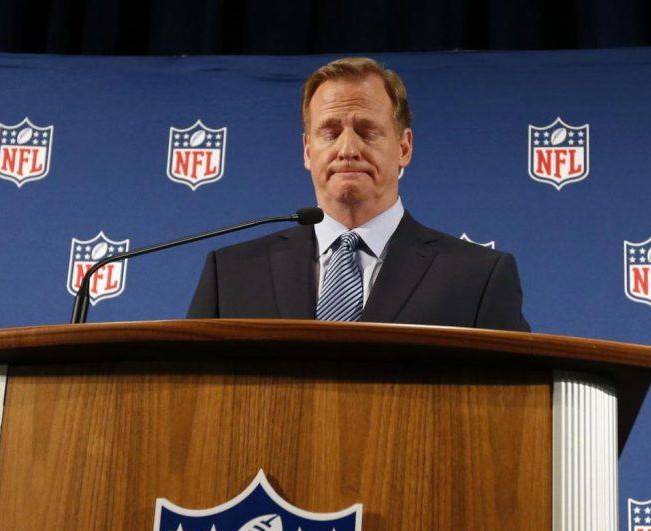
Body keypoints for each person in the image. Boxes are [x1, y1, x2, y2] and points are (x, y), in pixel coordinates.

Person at [187, 57, 530, 332]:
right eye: (330, 132)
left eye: (367, 132)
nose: (347, 148)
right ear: (308, 151)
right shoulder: (232, 274)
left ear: (404, 147)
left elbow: (514, 403)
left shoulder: (477, 277)